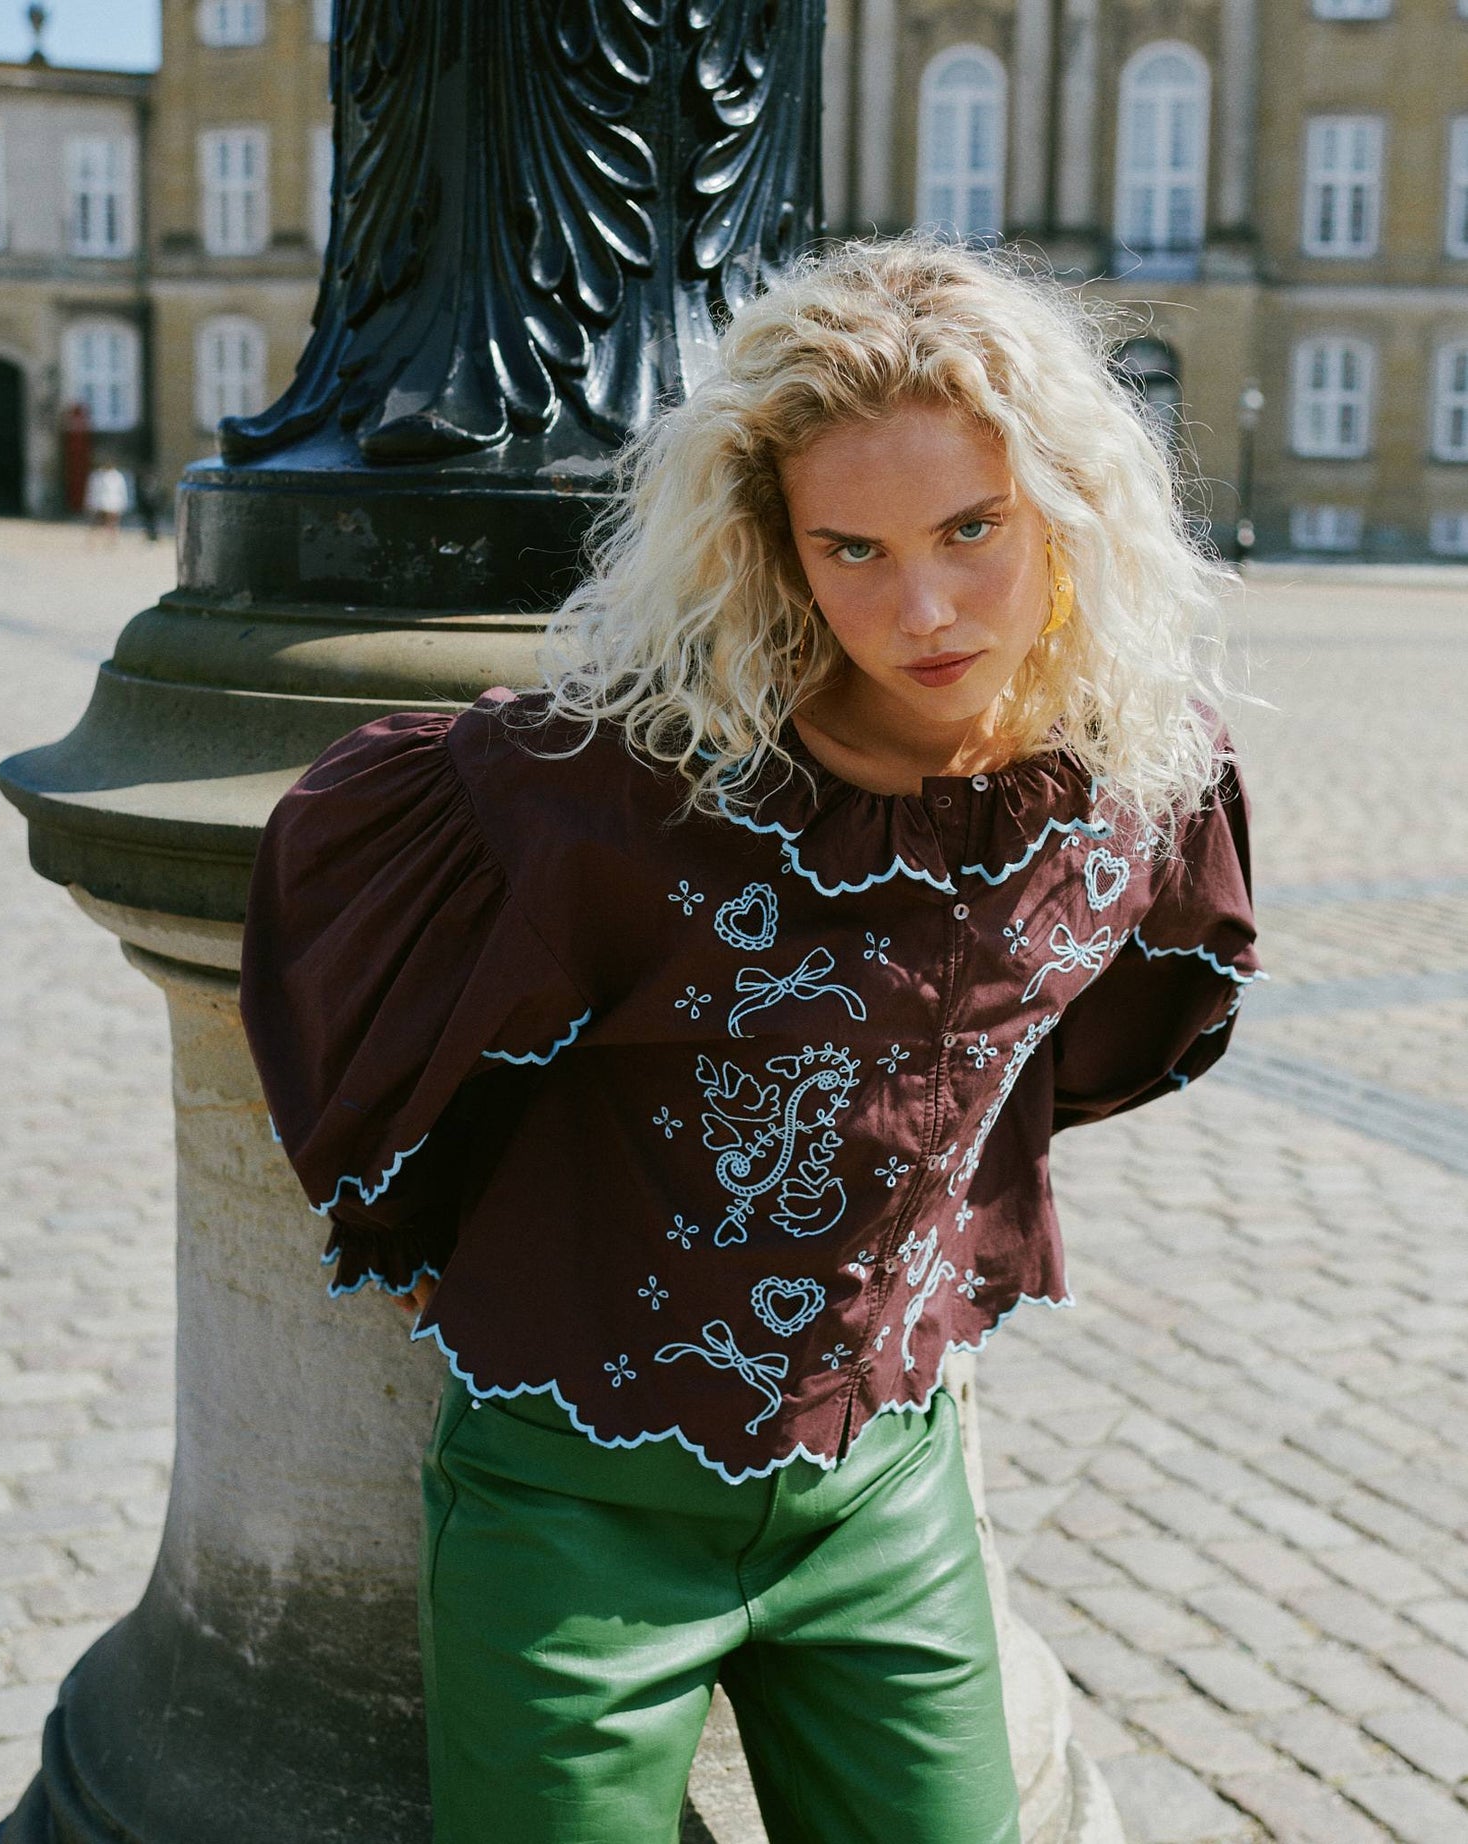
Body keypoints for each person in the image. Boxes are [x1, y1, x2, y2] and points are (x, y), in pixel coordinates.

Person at [239, 236, 1261, 1844]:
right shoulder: (618, 787)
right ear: (776, 550)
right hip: (574, 1511)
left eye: (974, 528)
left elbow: (1089, 1036)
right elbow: (333, 892)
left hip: (888, 1500)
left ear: (1069, 503)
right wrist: (432, 1252)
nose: (923, 608)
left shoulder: (1143, 783)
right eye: (852, 549)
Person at [83, 459, 128, 541]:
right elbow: (92, 490)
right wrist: (90, 502)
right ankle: (94, 539)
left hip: (113, 502)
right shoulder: (97, 475)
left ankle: (111, 539)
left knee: (112, 522)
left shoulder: (117, 476)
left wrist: (123, 503)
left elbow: (122, 491)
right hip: (99, 502)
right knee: (97, 521)